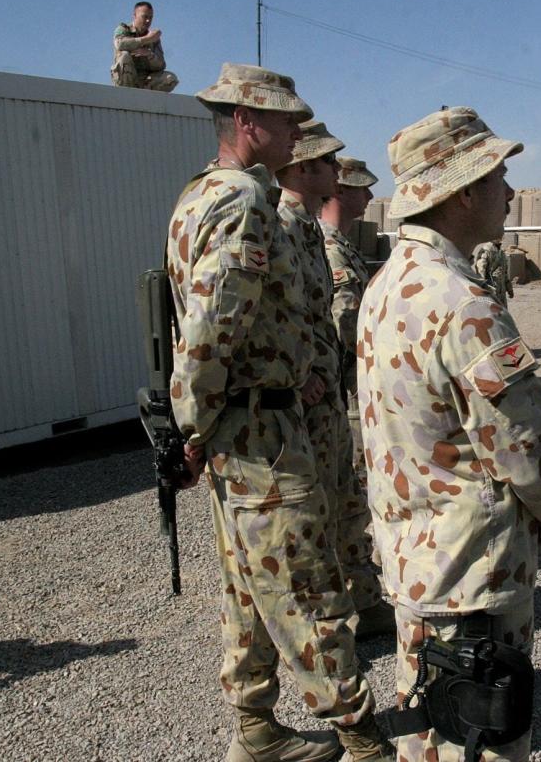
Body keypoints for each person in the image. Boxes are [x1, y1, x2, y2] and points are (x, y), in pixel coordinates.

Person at [165, 62, 391, 762]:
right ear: (246, 121)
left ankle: (256, 729)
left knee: (249, 583)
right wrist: (190, 425)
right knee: (308, 585)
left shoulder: (198, 195)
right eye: (287, 119)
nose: (298, 131)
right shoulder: (244, 201)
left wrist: (199, 425)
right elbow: (211, 325)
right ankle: (362, 739)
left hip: (242, 423)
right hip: (257, 427)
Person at [358, 107, 541, 761]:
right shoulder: (463, 302)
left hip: (416, 564)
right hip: (473, 574)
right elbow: (523, 447)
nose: (509, 191)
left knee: (430, 734)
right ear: (459, 192)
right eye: (497, 175)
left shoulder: (385, 287)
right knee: (480, 740)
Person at [276, 122, 393, 642]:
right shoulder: (299, 234)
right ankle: (327, 629)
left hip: (338, 394)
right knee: (321, 513)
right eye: (358, 183)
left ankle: (364, 603)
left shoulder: (324, 241)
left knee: (346, 506)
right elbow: (292, 319)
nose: (369, 194)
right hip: (324, 400)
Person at [320, 156, 378, 492]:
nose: (370, 197)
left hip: (357, 382)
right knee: (359, 486)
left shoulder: (343, 245)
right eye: (363, 188)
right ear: (340, 189)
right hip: (349, 387)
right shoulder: (330, 249)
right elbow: (345, 324)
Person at [111, 2, 178, 91]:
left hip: (146, 81)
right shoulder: (123, 29)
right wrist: (146, 39)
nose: (148, 21)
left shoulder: (154, 37)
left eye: (150, 18)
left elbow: (161, 65)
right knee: (124, 56)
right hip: (127, 77)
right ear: (134, 16)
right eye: (144, 17)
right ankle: (125, 94)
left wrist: (150, 55)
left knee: (170, 78)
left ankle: (145, 99)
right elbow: (120, 44)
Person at [473, 239, 513, 305]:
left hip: (501, 294)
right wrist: (483, 290)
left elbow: (504, 273)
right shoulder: (486, 250)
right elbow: (480, 272)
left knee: (503, 313)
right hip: (491, 292)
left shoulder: (501, 252)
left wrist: (509, 288)